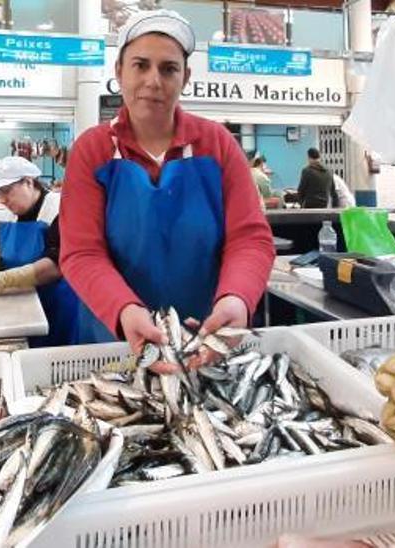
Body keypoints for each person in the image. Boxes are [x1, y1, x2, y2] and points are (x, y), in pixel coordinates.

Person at [60, 9, 275, 362]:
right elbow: (82, 252)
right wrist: (124, 309)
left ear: (185, 77)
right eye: (140, 65)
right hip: (114, 338)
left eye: (168, 68)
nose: (153, 80)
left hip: (205, 340)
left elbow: (250, 238)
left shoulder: (217, 144)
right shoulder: (92, 150)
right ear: (118, 71)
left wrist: (237, 296)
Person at [0, 156, 82, 347]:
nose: (2, 200)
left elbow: (56, 265)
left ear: (28, 181)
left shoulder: (58, 208)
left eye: (7, 191)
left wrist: (5, 279)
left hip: (55, 307)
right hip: (20, 306)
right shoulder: (13, 211)